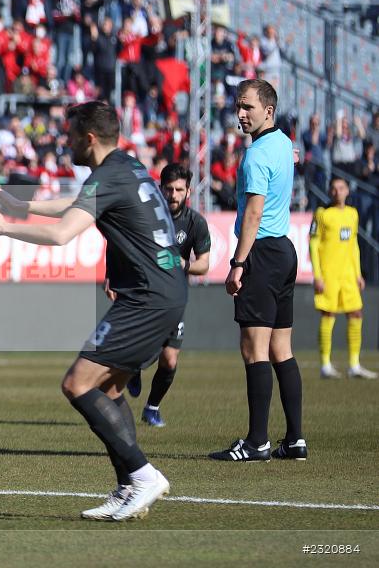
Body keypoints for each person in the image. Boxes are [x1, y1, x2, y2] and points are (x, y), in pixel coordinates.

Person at [0, 100, 185, 522]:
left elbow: (65, 233)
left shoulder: (110, 175)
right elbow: (78, 205)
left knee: (77, 384)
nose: (63, 143)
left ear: (88, 139)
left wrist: (3, 227)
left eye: (69, 136)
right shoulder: (126, 167)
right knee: (108, 390)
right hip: (161, 291)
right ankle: (127, 487)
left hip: (148, 295)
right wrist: (24, 204)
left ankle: (142, 476)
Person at [210, 79, 306, 463]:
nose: (240, 113)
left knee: (254, 350)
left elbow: (253, 211)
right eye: (238, 106)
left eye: (247, 106)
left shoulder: (256, 155)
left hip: (261, 254)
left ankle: (257, 442)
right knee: (282, 349)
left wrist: (237, 263)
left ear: (268, 110)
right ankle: (296, 439)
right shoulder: (283, 143)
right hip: (284, 251)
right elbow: (293, 156)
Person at [122, 164, 211, 426]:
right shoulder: (145, 216)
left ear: (188, 191)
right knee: (142, 346)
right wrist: (112, 276)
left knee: (170, 359)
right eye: (169, 189)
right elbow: (121, 244)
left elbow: (204, 264)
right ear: (160, 189)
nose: (173, 194)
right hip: (144, 292)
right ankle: (133, 368)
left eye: (179, 190)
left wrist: (183, 264)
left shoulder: (196, 223)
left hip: (175, 298)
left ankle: (152, 407)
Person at [311, 176, 376, 379]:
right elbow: (313, 245)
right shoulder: (322, 214)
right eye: (333, 188)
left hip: (348, 275)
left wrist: (358, 274)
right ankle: (325, 365)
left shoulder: (352, 214)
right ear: (330, 192)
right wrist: (317, 275)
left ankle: (354, 365)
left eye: (341, 187)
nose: (337, 191)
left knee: (356, 314)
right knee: (328, 315)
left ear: (347, 191)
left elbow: (354, 246)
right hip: (329, 274)